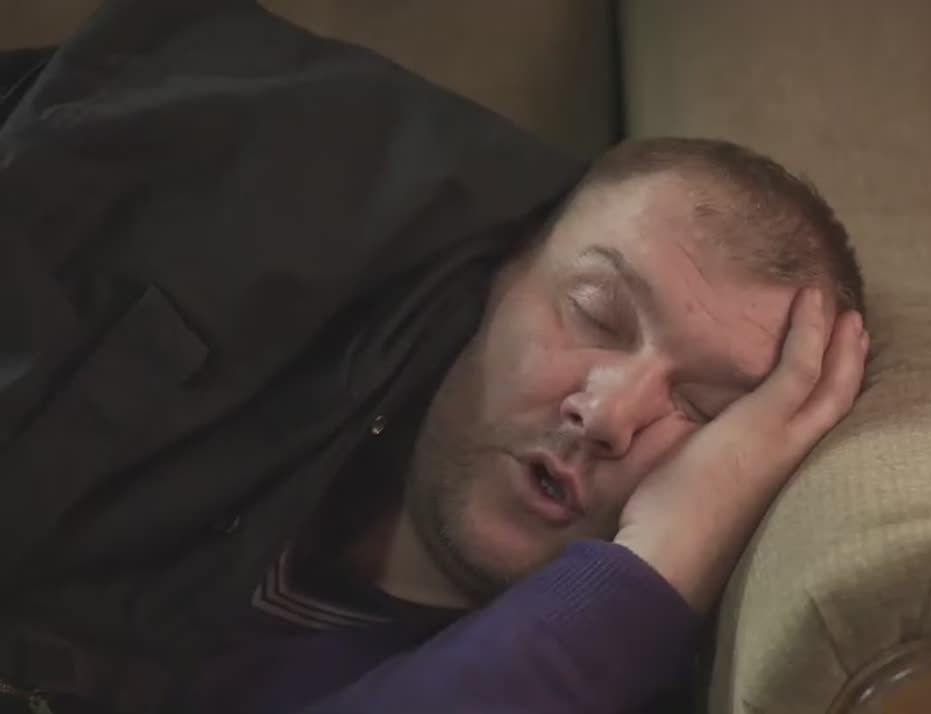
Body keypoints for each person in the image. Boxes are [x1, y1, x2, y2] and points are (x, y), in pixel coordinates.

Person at [0, 3, 867, 714]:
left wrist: (654, 564)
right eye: (597, 315)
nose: (607, 414)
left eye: (702, 412)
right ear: (503, 272)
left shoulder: (600, 658)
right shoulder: (260, 396)